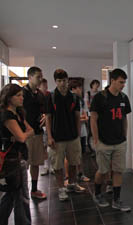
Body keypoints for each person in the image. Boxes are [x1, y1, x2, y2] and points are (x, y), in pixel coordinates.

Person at [90, 68, 131, 211]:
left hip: (120, 142)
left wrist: (125, 136)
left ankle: (116, 199)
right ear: (112, 80)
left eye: (124, 82)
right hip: (103, 142)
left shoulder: (124, 98)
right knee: (102, 171)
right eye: (121, 82)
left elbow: (124, 118)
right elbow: (93, 120)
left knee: (118, 171)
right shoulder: (99, 97)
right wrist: (96, 141)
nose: (123, 85)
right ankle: (97, 193)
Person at [0, 84, 33, 225]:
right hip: (13, 160)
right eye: (18, 95)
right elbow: (22, 137)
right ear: (9, 98)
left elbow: (30, 130)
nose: (22, 98)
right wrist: (22, 135)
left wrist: (22, 135)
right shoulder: (7, 115)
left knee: (12, 194)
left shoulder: (18, 113)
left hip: (19, 157)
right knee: (20, 195)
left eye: (22, 95)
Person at [45, 69, 85, 201]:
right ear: (55, 82)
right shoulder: (51, 97)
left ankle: (72, 184)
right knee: (58, 166)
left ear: (68, 80)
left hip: (72, 136)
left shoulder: (74, 97)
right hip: (57, 137)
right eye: (59, 81)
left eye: (64, 80)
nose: (62, 83)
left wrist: (78, 135)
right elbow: (48, 118)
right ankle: (61, 188)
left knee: (74, 162)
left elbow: (77, 117)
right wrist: (50, 136)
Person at [22, 67, 47, 200]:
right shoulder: (22, 93)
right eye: (38, 77)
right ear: (30, 77)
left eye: (41, 77)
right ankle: (22, 189)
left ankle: (34, 189)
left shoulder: (40, 94)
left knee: (35, 162)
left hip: (37, 132)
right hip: (25, 134)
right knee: (24, 163)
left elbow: (43, 110)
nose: (40, 80)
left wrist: (44, 116)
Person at [69, 79, 90, 183]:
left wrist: (82, 118)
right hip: (73, 132)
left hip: (82, 131)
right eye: (79, 88)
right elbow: (73, 118)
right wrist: (81, 118)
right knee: (71, 155)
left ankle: (80, 174)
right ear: (73, 89)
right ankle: (69, 178)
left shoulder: (80, 100)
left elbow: (84, 116)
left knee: (80, 153)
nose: (81, 90)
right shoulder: (70, 99)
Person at [38, 78, 55, 176]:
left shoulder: (50, 95)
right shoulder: (37, 97)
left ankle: (52, 166)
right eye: (44, 85)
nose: (46, 87)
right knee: (43, 147)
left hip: (49, 125)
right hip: (41, 125)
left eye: (46, 85)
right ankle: (45, 167)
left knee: (51, 146)